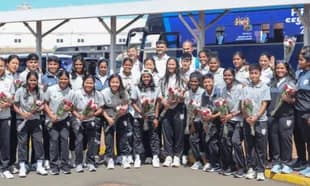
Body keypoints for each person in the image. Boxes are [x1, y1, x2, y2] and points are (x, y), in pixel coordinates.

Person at [13, 72, 47, 177]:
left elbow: (43, 104)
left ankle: (39, 165)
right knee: (22, 143)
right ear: (27, 80)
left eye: (34, 80)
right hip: (22, 121)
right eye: (31, 80)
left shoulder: (40, 92)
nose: (33, 82)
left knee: (38, 142)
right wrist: (22, 114)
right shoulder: (20, 91)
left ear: (37, 81)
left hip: (35, 120)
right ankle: (23, 166)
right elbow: (15, 105)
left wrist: (38, 109)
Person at [241, 64, 271, 181]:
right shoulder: (246, 88)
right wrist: (247, 117)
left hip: (260, 121)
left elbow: (264, 103)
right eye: (251, 73)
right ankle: (251, 168)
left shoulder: (265, 87)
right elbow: (243, 105)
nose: (253, 75)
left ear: (260, 74)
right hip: (248, 121)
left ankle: (260, 170)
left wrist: (257, 116)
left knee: (261, 146)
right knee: (249, 146)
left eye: (255, 73)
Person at [70, 74, 103, 172]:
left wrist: (94, 113)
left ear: (94, 84)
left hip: (91, 120)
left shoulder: (97, 94)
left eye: (91, 83)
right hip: (79, 120)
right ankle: (79, 163)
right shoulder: (77, 93)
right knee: (79, 142)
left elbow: (100, 108)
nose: (89, 85)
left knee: (91, 142)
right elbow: (72, 108)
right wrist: (78, 116)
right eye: (87, 82)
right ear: (83, 83)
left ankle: (90, 162)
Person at [268, 62, 295, 174]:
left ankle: (286, 163)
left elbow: (295, 101)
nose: (279, 70)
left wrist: (287, 99)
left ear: (287, 69)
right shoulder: (272, 82)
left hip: (286, 115)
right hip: (273, 115)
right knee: (274, 139)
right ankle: (276, 162)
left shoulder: (291, 82)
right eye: (278, 68)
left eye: (282, 68)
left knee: (285, 139)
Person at [131, 69, 161, 168]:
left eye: (148, 76)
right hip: (139, 117)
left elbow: (157, 103)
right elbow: (133, 102)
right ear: (141, 78)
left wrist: (156, 117)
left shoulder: (156, 88)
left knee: (154, 137)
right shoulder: (136, 88)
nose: (146, 78)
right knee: (138, 137)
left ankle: (155, 157)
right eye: (144, 77)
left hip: (152, 116)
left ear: (151, 77)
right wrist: (141, 112)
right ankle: (138, 158)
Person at [44, 70, 73, 175]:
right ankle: (54, 165)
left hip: (64, 120)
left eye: (65, 79)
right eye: (61, 79)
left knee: (65, 141)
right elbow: (45, 103)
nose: (63, 81)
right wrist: (51, 115)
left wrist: (68, 108)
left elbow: (72, 107)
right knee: (54, 141)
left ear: (68, 80)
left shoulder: (71, 91)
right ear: (57, 79)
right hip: (52, 120)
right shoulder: (51, 90)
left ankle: (65, 165)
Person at [160, 57, 187, 167]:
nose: (171, 66)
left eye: (173, 64)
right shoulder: (162, 79)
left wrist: (179, 98)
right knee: (167, 132)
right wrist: (164, 102)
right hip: (166, 108)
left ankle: (177, 156)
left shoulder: (182, 79)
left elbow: (184, 93)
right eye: (169, 64)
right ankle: (168, 156)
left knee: (179, 132)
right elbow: (160, 94)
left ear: (177, 66)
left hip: (178, 107)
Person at [219, 69, 246, 177]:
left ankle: (242, 167)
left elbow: (243, 107)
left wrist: (231, 115)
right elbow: (223, 105)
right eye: (225, 75)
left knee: (235, 142)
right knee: (225, 141)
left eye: (229, 75)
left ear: (234, 76)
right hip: (228, 120)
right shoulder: (223, 89)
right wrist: (223, 114)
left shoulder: (240, 88)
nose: (227, 77)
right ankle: (231, 166)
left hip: (239, 120)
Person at [101, 74, 131, 169]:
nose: (115, 84)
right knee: (109, 137)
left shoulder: (123, 92)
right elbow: (101, 108)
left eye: (117, 82)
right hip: (108, 115)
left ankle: (122, 157)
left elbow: (126, 104)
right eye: (113, 82)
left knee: (122, 136)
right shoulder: (104, 92)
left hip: (121, 115)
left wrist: (124, 109)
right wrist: (108, 118)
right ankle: (110, 158)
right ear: (109, 83)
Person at [292, 50, 310, 176]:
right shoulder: (299, 73)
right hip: (297, 112)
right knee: (298, 138)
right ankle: (302, 160)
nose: (299, 62)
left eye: (301, 60)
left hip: (307, 113)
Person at [199, 73, 221, 172]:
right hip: (209, 122)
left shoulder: (219, 92)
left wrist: (212, 116)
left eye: (209, 81)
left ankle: (217, 163)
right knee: (208, 142)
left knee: (215, 143)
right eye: (205, 82)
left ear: (213, 82)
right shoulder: (204, 94)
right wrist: (205, 120)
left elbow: (223, 110)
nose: (207, 84)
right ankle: (212, 163)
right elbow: (204, 108)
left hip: (219, 120)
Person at [184, 72, 205, 170]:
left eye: (196, 81)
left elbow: (201, 107)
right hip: (192, 120)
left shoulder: (203, 92)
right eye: (192, 81)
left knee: (203, 141)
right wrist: (191, 122)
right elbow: (188, 108)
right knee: (193, 140)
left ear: (199, 82)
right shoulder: (187, 93)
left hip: (202, 120)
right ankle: (198, 161)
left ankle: (206, 161)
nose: (193, 83)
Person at [0, 57, 15, 179]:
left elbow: (13, 98)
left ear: (5, 67)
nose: (0, 68)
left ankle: (5, 167)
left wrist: (8, 103)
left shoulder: (9, 80)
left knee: (5, 142)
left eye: (1, 66)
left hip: (5, 116)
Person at [6, 55, 20, 174]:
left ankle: (11, 162)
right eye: (13, 63)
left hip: (14, 111)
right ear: (8, 64)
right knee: (5, 139)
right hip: (5, 110)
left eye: (17, 63)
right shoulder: (4, 76)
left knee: (13, 138)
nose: (15, 65)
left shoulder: (17, 76)